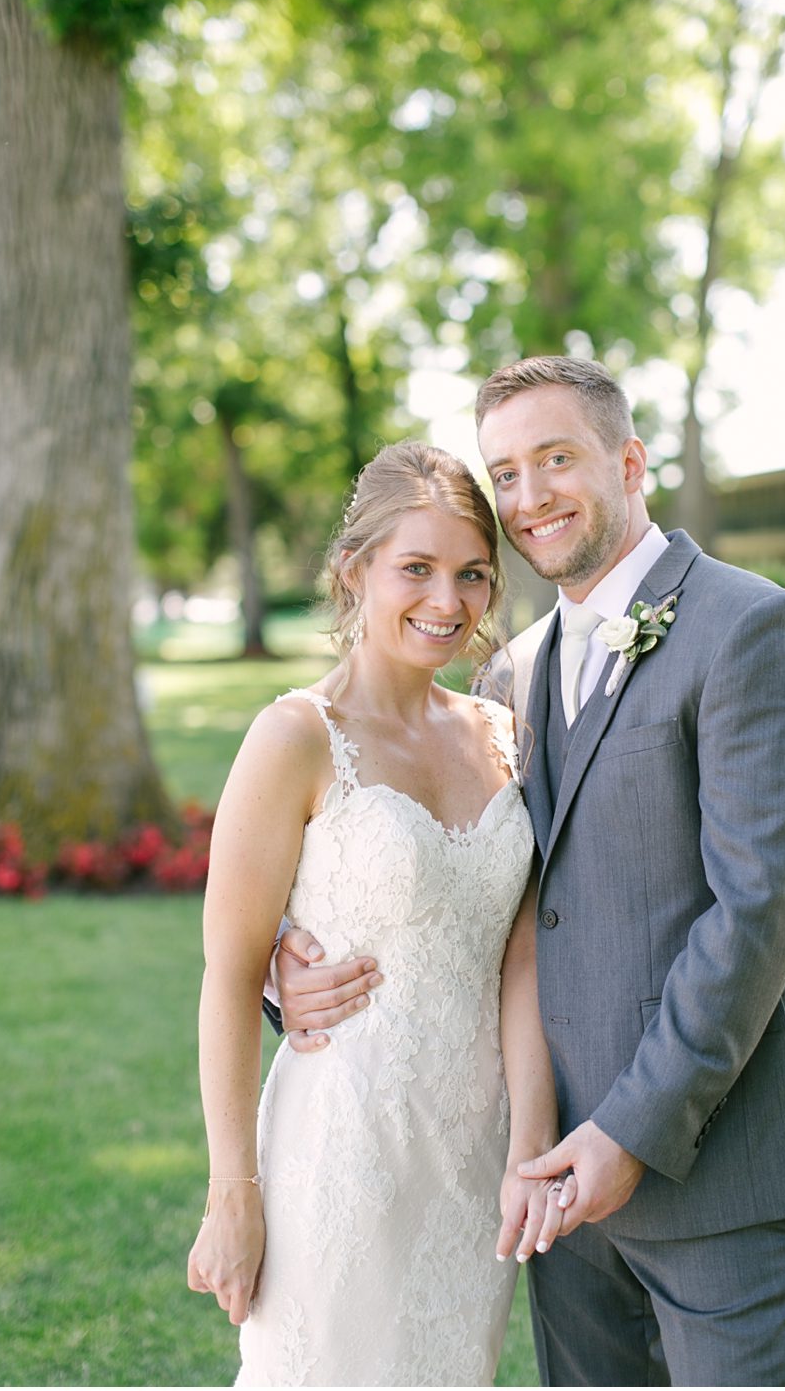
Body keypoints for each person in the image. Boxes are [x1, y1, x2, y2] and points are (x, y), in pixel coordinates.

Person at [275, 356, 785, 1386]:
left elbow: (756, 914)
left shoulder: (752, 629)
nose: (529, 496)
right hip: (550, 1173)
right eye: (505, 473)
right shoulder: (513, 669)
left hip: (715, 1169)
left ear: (629, 461)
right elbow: (479, 900)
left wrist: (628, 1133)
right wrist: (288, 972)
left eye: (556, 459)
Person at [187, 443, 568, 1384]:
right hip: (342, 1148)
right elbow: (233, 974)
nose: (448, 601)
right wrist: (231, 1193)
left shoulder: (504, 733)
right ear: (353, 571)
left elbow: (519, 953)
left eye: (473, 574)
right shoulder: (294, 738)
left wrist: (531, 1135)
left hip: (471, 1161)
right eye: (417, 569)